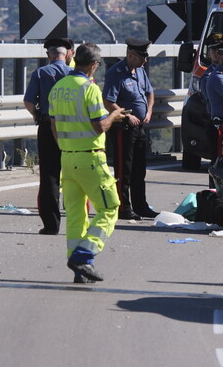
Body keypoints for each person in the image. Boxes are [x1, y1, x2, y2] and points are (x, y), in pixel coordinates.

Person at [48, 43, 128, 283]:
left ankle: (79, 270)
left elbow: (53, 126)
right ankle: (84, 255)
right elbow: (99, 126)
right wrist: (114, 115)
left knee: (75, 215)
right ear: (93, 65)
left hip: (67, 156)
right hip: (90, 157)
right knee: (110, 208)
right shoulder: (90, 89)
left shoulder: (58, 87)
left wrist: (66, 147)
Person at [23, 37, 73, 234]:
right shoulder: (74, 74)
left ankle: (51, 224)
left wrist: (37, 114)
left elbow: (28, 101)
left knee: (49, 177)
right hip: (71, 129)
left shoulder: (41, 73)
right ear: (66, 54)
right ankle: (78, 219)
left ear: (49, 55)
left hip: (46, 127)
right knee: (73, 174)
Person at [103, 37, 157, 220]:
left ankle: (141, 205)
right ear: (131, 54)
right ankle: (123, 207)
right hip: (123, 127)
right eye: (142, 56)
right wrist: (127, 115)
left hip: (140, 127)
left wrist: (149, 111)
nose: (145, 60)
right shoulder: (116, 73)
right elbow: (108, 101)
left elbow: (149, 92)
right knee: (123, 170)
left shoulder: (140, 71)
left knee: (139, 170)